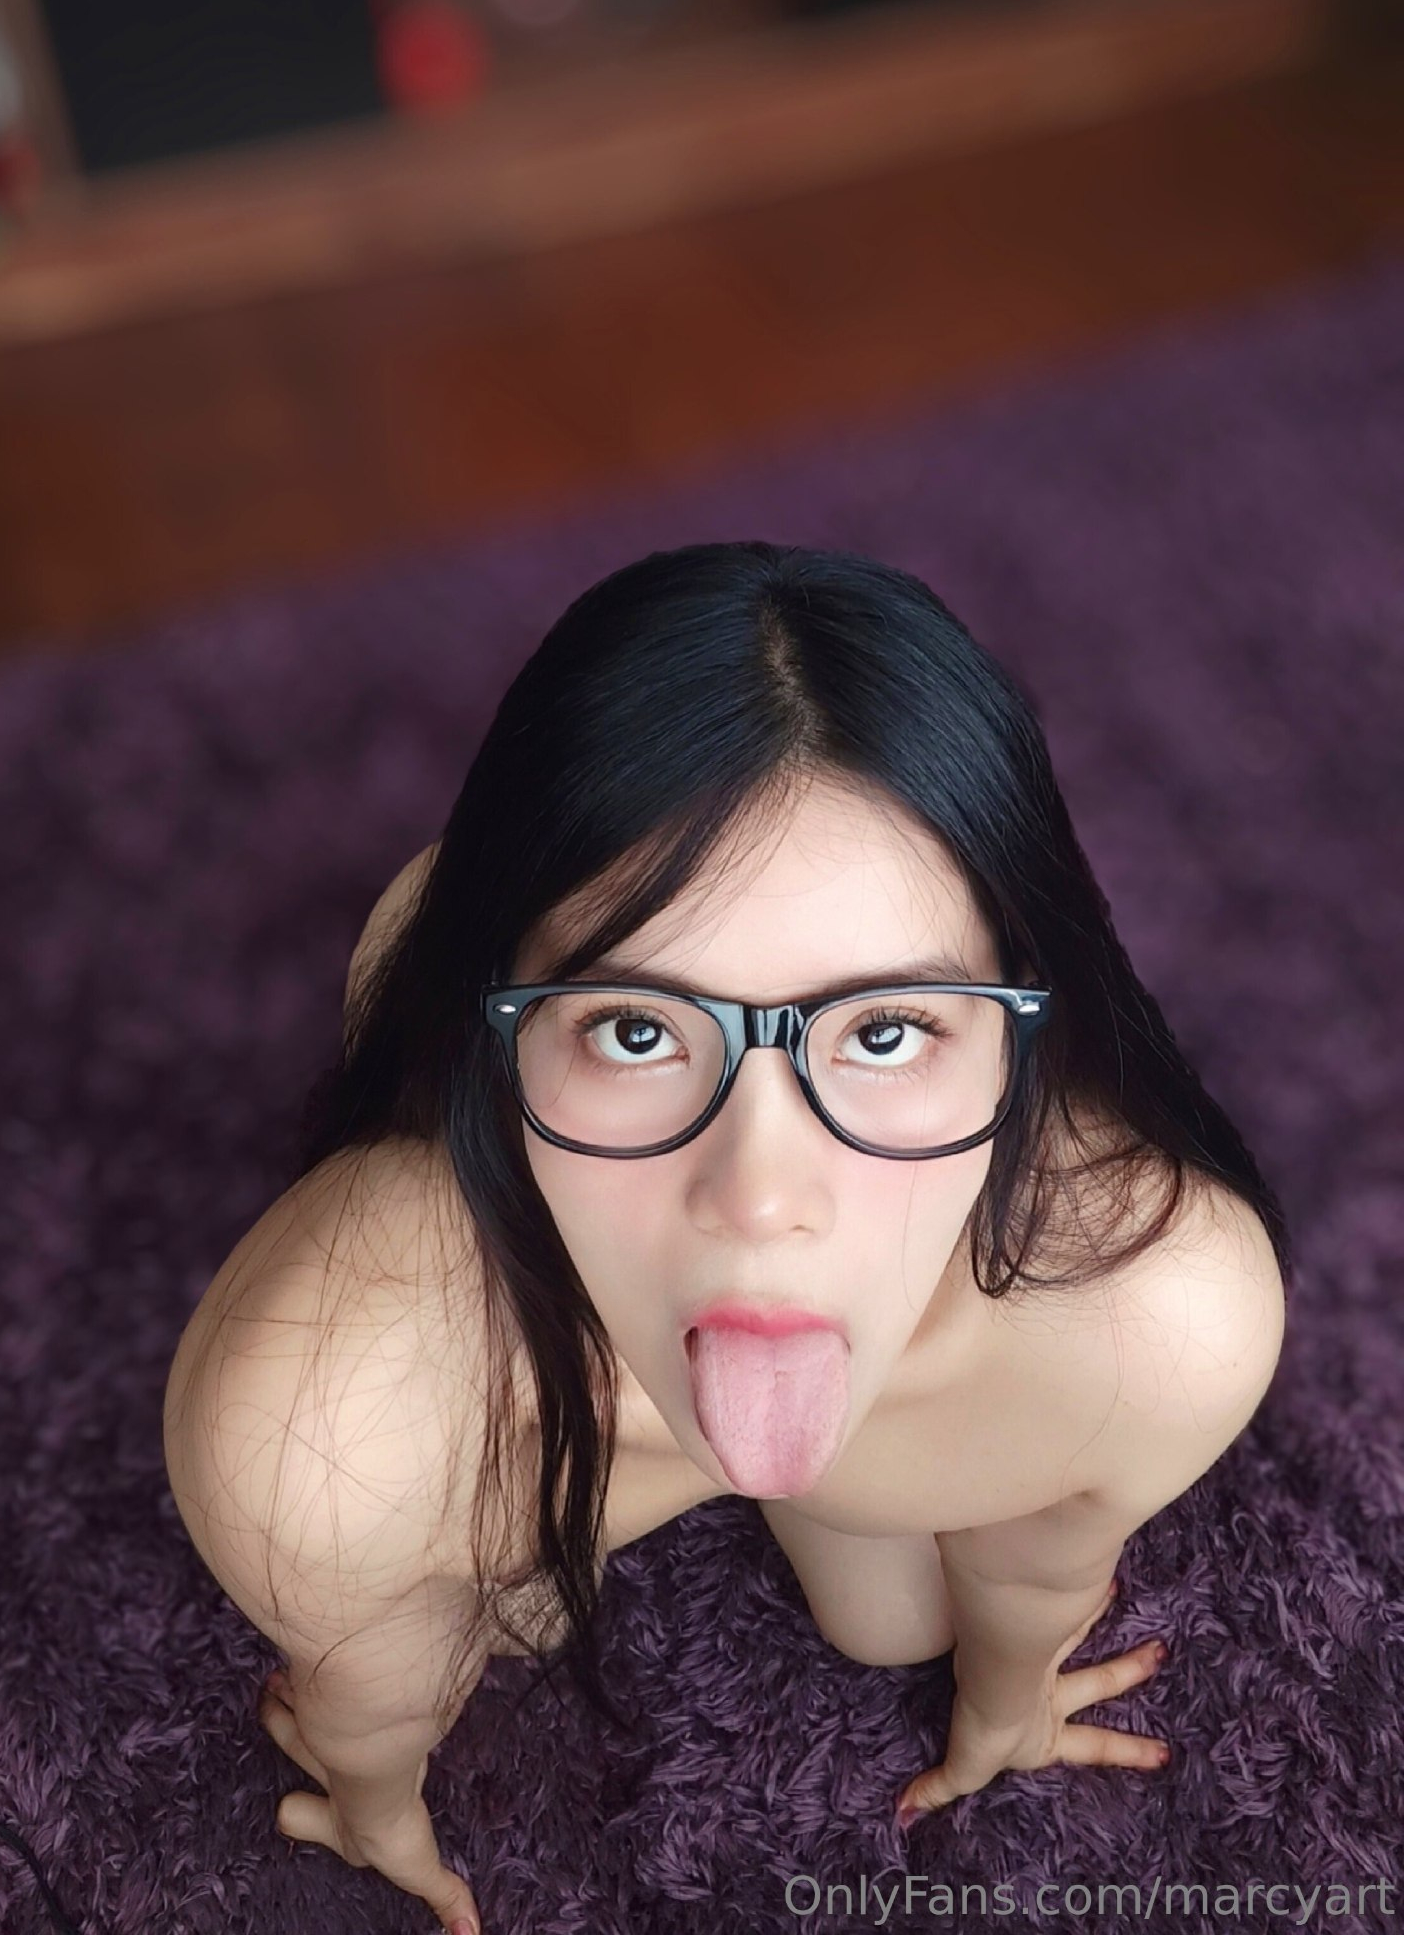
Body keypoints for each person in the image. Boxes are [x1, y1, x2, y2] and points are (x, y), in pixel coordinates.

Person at [162, 542, 1291, 1935]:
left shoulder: (1154, 1316)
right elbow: (364, 1692)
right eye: (637, 1030)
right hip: (482, 1358)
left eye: (887, 1030)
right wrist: (372, 1800)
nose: (759, 1198)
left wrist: (1005, 1708)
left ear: (1017, 1038)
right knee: (499, 1617)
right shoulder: (324, 1414)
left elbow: (1040, 1563)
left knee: (899, 1625)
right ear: (500, 1043)